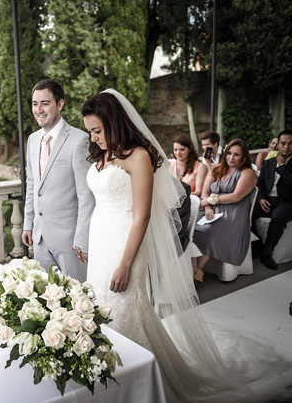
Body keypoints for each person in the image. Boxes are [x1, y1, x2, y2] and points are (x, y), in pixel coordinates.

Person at [81, 90, 268, 403]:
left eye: (98, 130)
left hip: (126, 241)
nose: (94, 137)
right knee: (100, 302)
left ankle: (137, 382)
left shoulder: (138, 156)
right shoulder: (102, 155)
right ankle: (108, 376)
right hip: (100, 236)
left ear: (114, 123)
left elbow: (142, 216)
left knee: (124, 304)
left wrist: (126, 263)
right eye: (90, 132)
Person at [22, 79, 95, 281]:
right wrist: (28, 223)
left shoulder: (79, 140)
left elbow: (85, 196)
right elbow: (32, 186)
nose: (39, 110)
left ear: (59, 104)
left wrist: (82, 239)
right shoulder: (32, 140)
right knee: (46, 300)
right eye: (35, 104)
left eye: (45, 103)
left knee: (78, 300)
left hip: (70, 242)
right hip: (39, 239)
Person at [191, 139, 257, 281]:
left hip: (233, 213)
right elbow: (205, 190)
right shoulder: (216, 169)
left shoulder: (247, 173)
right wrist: (208, 206)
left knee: (210, 231)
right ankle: (195, 269)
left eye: (236, 155)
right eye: (229, 154)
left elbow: (237, 196)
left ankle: (195, 272)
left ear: (243, 157)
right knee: (191, 228)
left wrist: (209, 201)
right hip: (210, 209)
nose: (231, 158)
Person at [251, 130, 292, 270]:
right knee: (247, 212)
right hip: (267, 200)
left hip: (286, 203)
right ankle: (257, 245)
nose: (286, 147)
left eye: (290, 143)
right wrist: (261, 198)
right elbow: (260, 184)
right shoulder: (268, 163)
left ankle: (266, 254)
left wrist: (281, 167)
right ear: (278, 145)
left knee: (277, 218)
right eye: (283, 143)